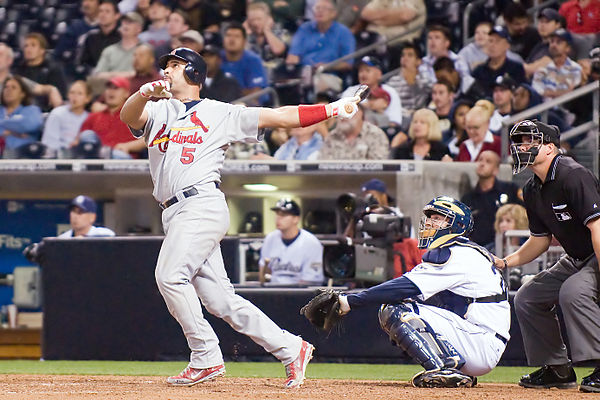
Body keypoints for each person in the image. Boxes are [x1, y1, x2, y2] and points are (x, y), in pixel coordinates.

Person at [119, 46, 363, 387]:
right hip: (174, 212)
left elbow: (280, 116)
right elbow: (128, 117)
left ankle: (205, 356)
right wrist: (143, 92)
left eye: (175, 65)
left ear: (194, 74)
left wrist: (333, 109)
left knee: (170, 276)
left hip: (200, 204)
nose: (168, 71)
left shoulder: (220, 113)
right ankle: (291, 348)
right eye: (167, 65)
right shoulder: (159, 110)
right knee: (222, 300)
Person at [322, 196, 510, 388]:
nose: (430, 222)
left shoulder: (457, 254)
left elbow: (404, 286)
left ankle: (443, 368)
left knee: (395, 311)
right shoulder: (464, 250)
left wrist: (350, 301)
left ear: (457, 226)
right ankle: (454, 369)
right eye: (430, 218)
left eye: (438, 218)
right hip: (478, 335)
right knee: (405, 307)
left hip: (480, 341)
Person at [493, 119, 600, 393]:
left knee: (574, 291)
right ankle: (558, 370)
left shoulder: (573, 174)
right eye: (519, 141)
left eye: (530, 141)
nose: (522, 147)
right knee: (528, 296)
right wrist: (506, 262)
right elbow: (539, 241)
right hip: (577, 257)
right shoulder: (531, 188)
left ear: (550, 148)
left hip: (597, 251)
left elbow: (597, 228)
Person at [461, 150, 522, 248]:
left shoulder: (510, 189)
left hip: (508, 248)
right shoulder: (468, 198)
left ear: (496, 170)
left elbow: (523, 217)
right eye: (480, 160)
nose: (482, 164)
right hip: (479, 250)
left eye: (488, 161)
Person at [259, 198, 324, 285]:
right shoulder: (270, 239)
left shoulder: (311, 243)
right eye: (277, 214)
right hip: (272, 292)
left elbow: (310, 281)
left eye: (283, 215)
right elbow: (263, 273)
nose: (278, 218)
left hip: (301, 294)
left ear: (296, 219)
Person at [341, 55, 403, 127]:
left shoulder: (390, 92)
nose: (363, 74)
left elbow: (394, 122)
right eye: (361, 71)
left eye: (367, 70)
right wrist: (370, 105)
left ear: (379, 74)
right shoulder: (350, 91)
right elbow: (343, 113)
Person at [386, 41, 433, 127]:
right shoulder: (392, 82)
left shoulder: (426, 81)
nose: (405, 58)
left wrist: (412, 82)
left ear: (418, 62)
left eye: (410, 55)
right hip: (399, 120)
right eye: (403, 55)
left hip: (420, 119)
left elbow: (425, 102)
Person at [471, 25, 526, 99]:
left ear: (507, 45)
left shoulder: (516, 68)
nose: (492, 45)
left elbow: (522, 93)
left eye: (497, 41)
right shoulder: (478, 71)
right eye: (490, 41)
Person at [318, 104, 389, 160]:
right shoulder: (332, 137)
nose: (342, 116)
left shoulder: (375, 134)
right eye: (339, 113)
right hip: (336, 178)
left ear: (360, 113)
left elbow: (379, 166)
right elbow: (323, 165)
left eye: (347, 111)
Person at [41, 80, 92, 156]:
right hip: (60, 157)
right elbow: (49, 142)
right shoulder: (57, 113)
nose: (74, 96)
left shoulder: (90, 118)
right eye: (72, 93)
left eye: (79, 94)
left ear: (87, 98)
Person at [532, 29, 583, 101]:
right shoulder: (542, 69)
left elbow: (573, 93)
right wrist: (561, 92)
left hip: (567, 109)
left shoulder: (576, 69)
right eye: (552, 41)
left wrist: (549, 93)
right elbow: (537, 92)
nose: (553, 45)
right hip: (544, 110)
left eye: (559, 42)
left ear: (568, 48)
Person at [0, 75, 44, 157]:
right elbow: (21, 125)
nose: (8, 90)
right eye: (6, 87)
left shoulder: (31, 110)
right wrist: (14, 131)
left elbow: (29, 125)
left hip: (25, 156)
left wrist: (5, 130)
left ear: (22, 94)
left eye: (14, 88)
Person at [77, 0, 122, 77]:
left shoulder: (121, 38)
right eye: (100, 11)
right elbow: (82, 63)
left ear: (117, 15)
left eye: (107, 11)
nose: (103, 15)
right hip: (93, 78)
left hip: (116, 78)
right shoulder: (91, 37)